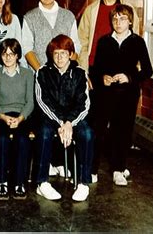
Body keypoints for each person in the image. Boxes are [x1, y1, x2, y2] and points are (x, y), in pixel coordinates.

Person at [92, 4, 152, 186]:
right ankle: (92, 169)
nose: (118, 22)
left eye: (123, 19)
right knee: (98, 130)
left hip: (127, 94)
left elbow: (147, 71)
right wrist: (102, 77)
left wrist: (129, 77)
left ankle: (118, 169)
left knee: (123, 131)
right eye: (115, 19)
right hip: (105, 94)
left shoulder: (137, 41)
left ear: (130, 21)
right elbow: (95, 69)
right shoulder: (104, 41)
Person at [35, 34, 93, 202]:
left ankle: (84, 183)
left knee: (87, 133)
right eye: (56, 53)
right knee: (44, 133)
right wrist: (61, 123)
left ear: (71, 54)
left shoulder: (80, 73)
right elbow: (42, 102)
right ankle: (42, 183)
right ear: (51, 55)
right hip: (51, 118)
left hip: (74, 118)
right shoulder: (42, 72)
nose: (60, 57)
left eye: (64, 53)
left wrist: (69, 123)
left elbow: (84, 104)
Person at [0, 39, 34, 200]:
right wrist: (3, 117)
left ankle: (19, 182)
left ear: (18, 56)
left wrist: (20, 118)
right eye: (4, 53)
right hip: (2, 115)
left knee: (22, 139)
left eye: (12, 54)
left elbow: (30, 102)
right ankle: (1, 182)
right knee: (1, 138)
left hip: (21, 115)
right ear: (0, 56)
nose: (8, 57)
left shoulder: (28, 74)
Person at [78, 0, 140, 76]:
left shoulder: (129, 10)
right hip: (95, 66)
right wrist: (84, 68)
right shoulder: (91, 10)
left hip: (121, 67)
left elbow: (135, 41)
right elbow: (81, 41)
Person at [22, 0, 81, 72]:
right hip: (40, 73)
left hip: (65, 74)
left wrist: (67, 68)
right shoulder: (30, 17)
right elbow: (27, 48)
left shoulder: (68, 16)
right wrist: (41, 72)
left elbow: (76, 45)